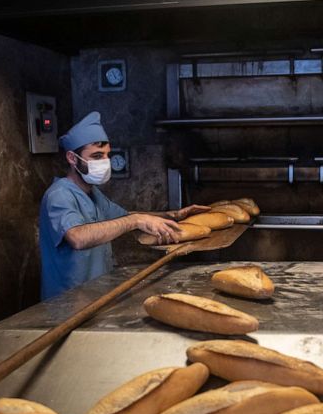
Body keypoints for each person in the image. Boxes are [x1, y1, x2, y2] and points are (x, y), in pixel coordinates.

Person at [39, 111, 209, 299]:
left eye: (106, 155)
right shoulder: (59, 195)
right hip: (67, 306)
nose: (104, 162)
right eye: (96, 156)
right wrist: (136, 221)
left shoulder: (92, 194)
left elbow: (124, 217)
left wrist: (175, 215)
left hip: (93, 298)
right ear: (72, 158)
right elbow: (77, 237)